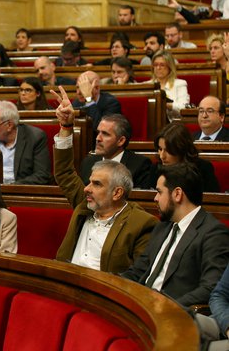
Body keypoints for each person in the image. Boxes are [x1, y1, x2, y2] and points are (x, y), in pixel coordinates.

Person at [50, 86, 157, 273]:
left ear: (117, 192)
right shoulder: (84, 205)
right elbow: (65, 173)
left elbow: (138, 277)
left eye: (96, 184)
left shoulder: (140, 223)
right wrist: (66, 127)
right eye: (90, 182)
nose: (86, 188)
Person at [122, 162, 229, 307]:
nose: (155, 198)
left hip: (174, 316)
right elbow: (138, 271)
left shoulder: (213, 233)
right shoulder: (162, 226)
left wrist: (168, 307)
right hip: (142, 305)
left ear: (177, 194)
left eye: (159, 192)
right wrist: (109, 282)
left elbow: (209, 288)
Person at [0, 101, 51, 185]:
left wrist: (11, 188)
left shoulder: (35, 137)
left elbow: (42, 175)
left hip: (21, 192)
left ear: (9, 125)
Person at [79, 114, 152, 189]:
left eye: (105, 134)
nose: (98, 138)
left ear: (121, 141)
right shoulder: (88, 163)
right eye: (98, 133)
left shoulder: (140, 165)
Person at [152, 122, 220, 193]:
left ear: (181, 149)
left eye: (168, 150)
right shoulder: (156, 169)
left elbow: (213, 200)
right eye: (160, 149)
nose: (162, 156)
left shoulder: (202, 169)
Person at [148, 50, 189, 120]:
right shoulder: (147, 85)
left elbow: (184, 108)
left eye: (162, 65)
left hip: (173, 124)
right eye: (155, 65)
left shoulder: (180, 84)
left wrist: (167, 105)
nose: (158, 68)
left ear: (170, 67)